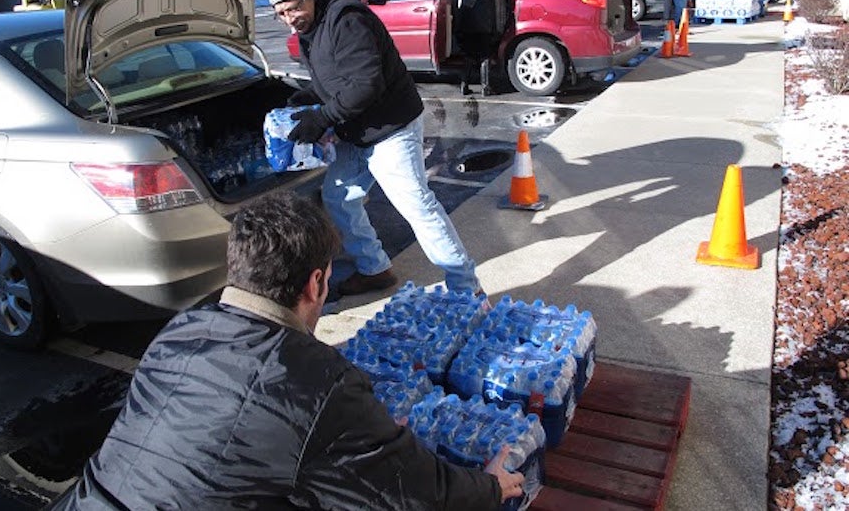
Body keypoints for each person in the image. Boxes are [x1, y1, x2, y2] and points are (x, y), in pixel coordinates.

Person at [51, 192, 524, 509]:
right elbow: (410, 491)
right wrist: (488, 488)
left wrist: (362, 434)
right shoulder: (316, 380)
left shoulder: (181, 329)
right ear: (317, 282)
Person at [267, 0, 486, 299]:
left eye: (294, 8)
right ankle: (375, 269)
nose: (290, 19)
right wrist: (309, 96)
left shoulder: (346, 19)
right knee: (339, 197)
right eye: (281, 14)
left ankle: (466, 289)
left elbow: (366, 83)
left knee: (416, 205)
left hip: (391, 127)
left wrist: (322, 118)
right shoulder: (311, 29)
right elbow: (338, 76)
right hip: (356, 128)